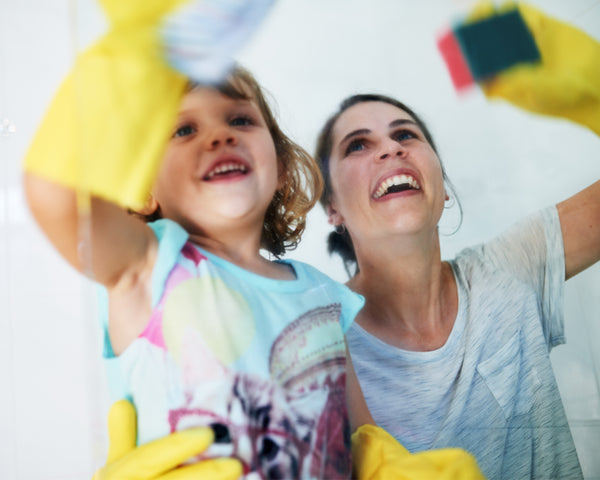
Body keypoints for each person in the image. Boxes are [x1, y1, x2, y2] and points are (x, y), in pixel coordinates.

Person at [312, 4, 600, 477]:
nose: (391, 148)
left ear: (443, 187)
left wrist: (592, 90)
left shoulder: (509, 267)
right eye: (358, 145)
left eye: (405, 133)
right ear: (333, 209)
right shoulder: (317, 341)